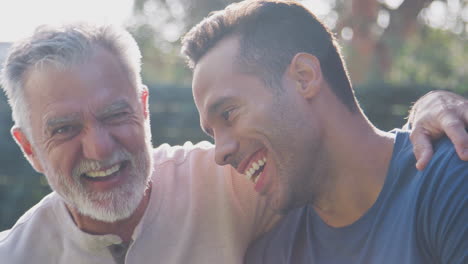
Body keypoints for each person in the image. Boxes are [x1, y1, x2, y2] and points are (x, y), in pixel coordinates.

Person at [0, 23, 465, 264]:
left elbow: (338, 147)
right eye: (63, 129)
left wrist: (433, 107)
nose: (99, 148)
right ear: (28, 149)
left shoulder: (235, 179)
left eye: (115, 114)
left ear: (143, 109)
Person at [180, 0, 468, 263]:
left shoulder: (448, 180)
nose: (220, 153)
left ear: (304, 77)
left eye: (228, 114)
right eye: (212, 133)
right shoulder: (272, 253)